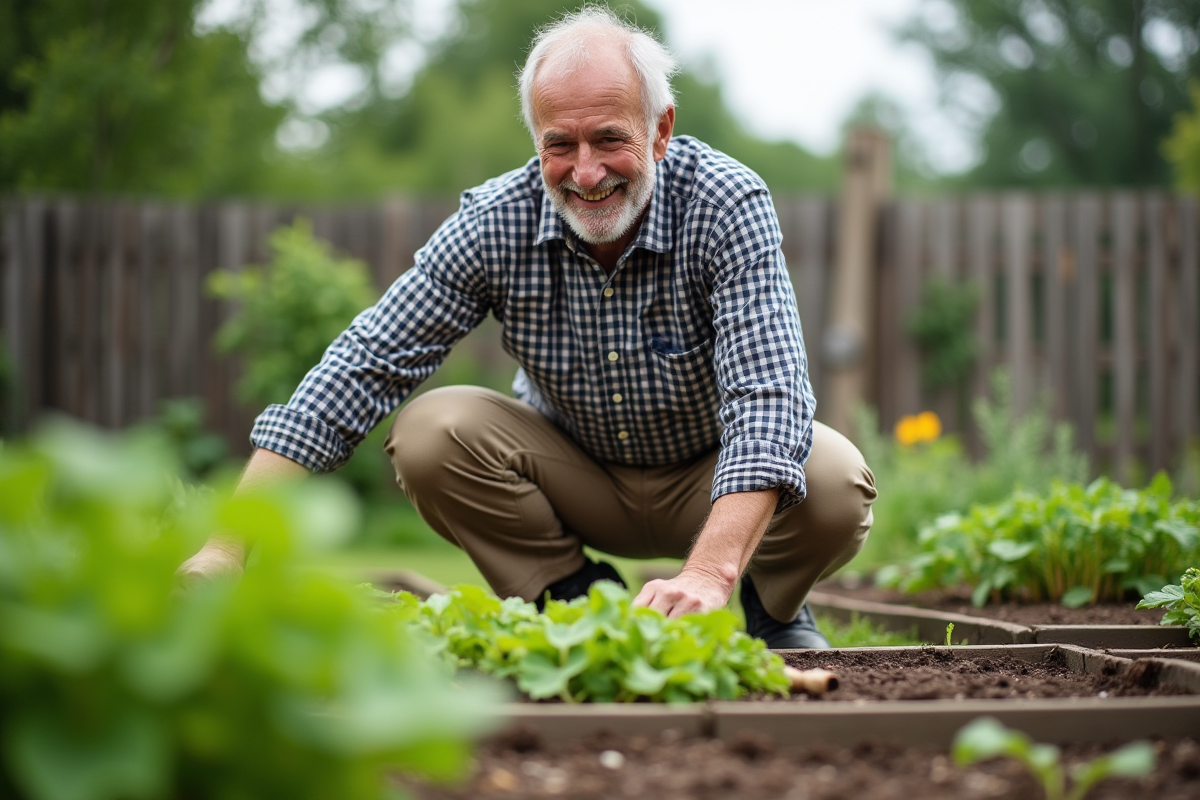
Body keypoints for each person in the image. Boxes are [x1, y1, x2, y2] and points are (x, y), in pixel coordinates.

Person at [178, 7, 876, 649]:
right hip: (574, 478)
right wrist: (226, 546)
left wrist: (711, 573)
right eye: (560, 144)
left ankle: (771, 606)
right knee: (430, 432)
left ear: (660, 130)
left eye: (610, 139)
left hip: (712, 476)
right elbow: (363, 364)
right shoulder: (494, 220)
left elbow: (769, 396)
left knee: (834, 478)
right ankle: (572, 595)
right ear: (535, 140)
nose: (586, 171)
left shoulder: (725, 202)